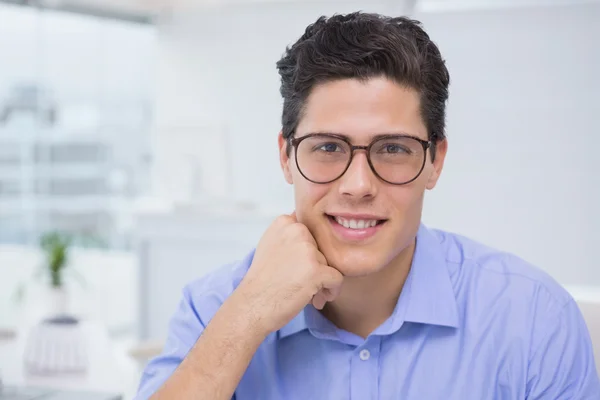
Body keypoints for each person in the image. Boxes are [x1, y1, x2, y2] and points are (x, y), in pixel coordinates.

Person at [135, 12, 599, 399]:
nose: (358, 185)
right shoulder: (214, 306)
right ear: (286, 157)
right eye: (328, 147)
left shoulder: (535, 317)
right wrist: (250, 312)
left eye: (393, 148)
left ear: (435, 161)